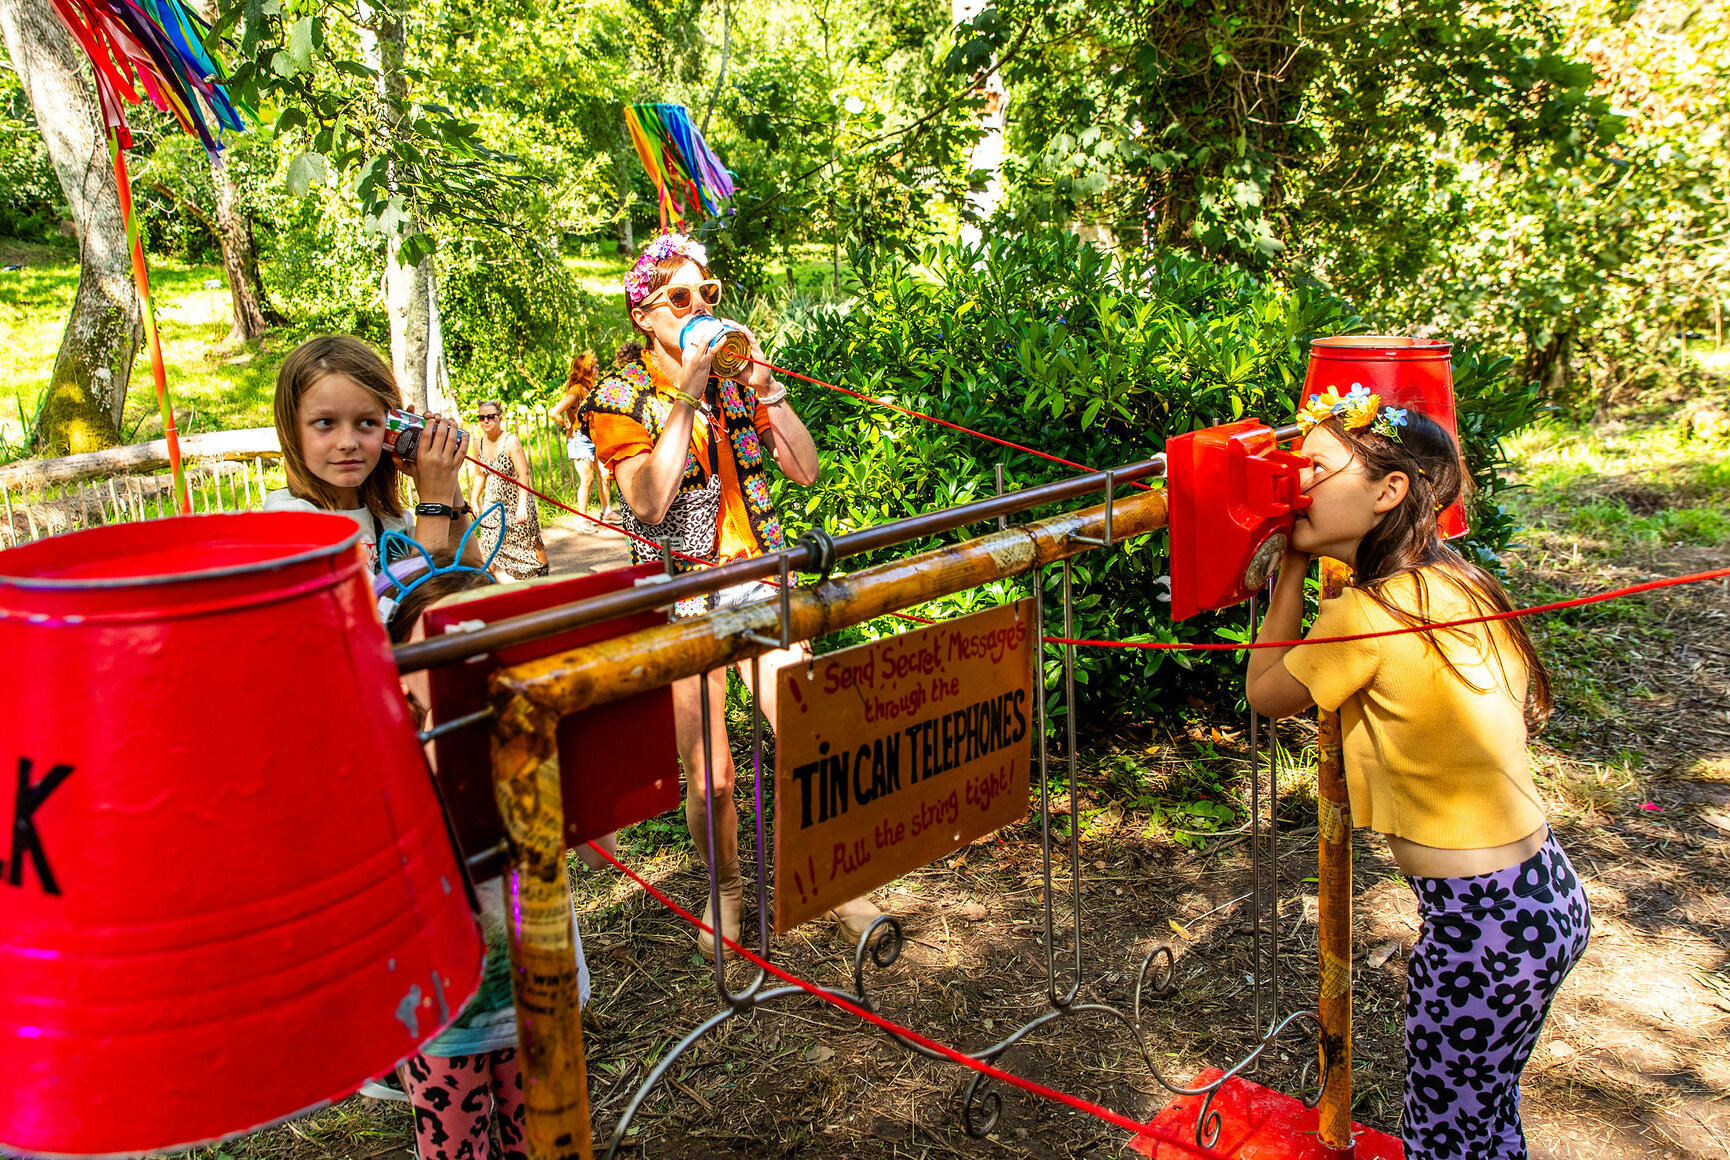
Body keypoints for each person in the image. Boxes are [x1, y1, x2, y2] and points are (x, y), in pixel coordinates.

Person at [1245, 387, 1591, 1160]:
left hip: (1483, 928)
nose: (1294, 484)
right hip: (1541, 899)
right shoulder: (1454, 582)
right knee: (1481, 1117)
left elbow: (1267, 694)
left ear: (1389, 491)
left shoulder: (1367, 615)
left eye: (1314, 469)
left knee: (1442, 1134)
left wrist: (1290, 569)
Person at [586, 231, 880, 959]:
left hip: (756, 575)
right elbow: (649, 502)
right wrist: (687, 388)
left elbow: (805, 471)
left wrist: (765, 386)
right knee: (711, 776)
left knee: (810, 736)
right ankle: (724, 893)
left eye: (707, 294)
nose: (699, 307)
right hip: (678, 591)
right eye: (679, 297)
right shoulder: (617, 396)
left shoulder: (734, 385)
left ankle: (839, 882)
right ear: (644, 317)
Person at [379, 537, 593, 1160]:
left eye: (477, 650)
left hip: (538, 990)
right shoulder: (389, 752)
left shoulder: (532, 732)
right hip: (441, 1012)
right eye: (438, 653)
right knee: (454, 1149)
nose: (459, 672)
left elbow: (595, 837)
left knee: (544, 1138)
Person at [265, 335, 475, 571]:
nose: (347, 442)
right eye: (325, 422)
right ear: (291, 428)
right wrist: (434, 507)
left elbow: (470, 581)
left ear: (389, 429)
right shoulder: (290, 520)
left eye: (366, 423)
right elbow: (406, 606)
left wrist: (447, 485)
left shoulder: (394, 522)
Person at [467, 400, 550, 579]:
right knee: (488, 546)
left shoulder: (510, 441)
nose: (486, 421)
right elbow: (480, 474)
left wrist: (522, 506)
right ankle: (492, 589)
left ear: (499, 417)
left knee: (531, 542)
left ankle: (544, 578)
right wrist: (474, 499)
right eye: (481, 418)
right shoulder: (478, 443)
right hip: (493, 503)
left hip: (516, 500)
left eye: (490, 416)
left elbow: (523, 475)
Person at [549, 351, 614, 528]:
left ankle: (606, 510)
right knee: (587, 479)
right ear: (585, 370)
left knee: (604, 474)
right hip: (579, 438)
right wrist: (566, 425)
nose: (596, 369)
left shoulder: (589, 388)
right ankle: (582, 518)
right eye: (593, 366)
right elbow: (554, 411)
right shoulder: (576, 390)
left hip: (592, 436)